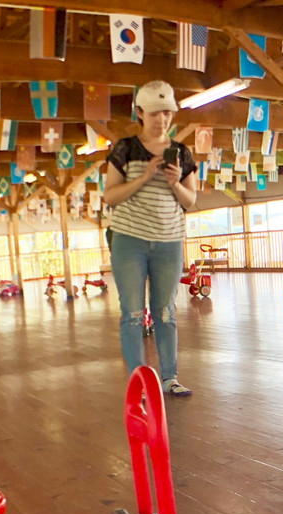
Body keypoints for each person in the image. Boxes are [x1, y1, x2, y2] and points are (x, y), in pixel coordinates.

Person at [103, 80, 197, 397]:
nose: (162, 120)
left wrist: (174, 182)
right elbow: (110, 197)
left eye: (167, 113)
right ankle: (138, 381)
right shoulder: (124, 149)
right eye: (155, 113)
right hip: (130, 239)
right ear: (140, 112)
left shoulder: (182, 153)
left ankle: (170, 377)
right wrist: (143, 177)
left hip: (169, 241)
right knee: (131, 312)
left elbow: (190, 201)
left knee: (166, 311)